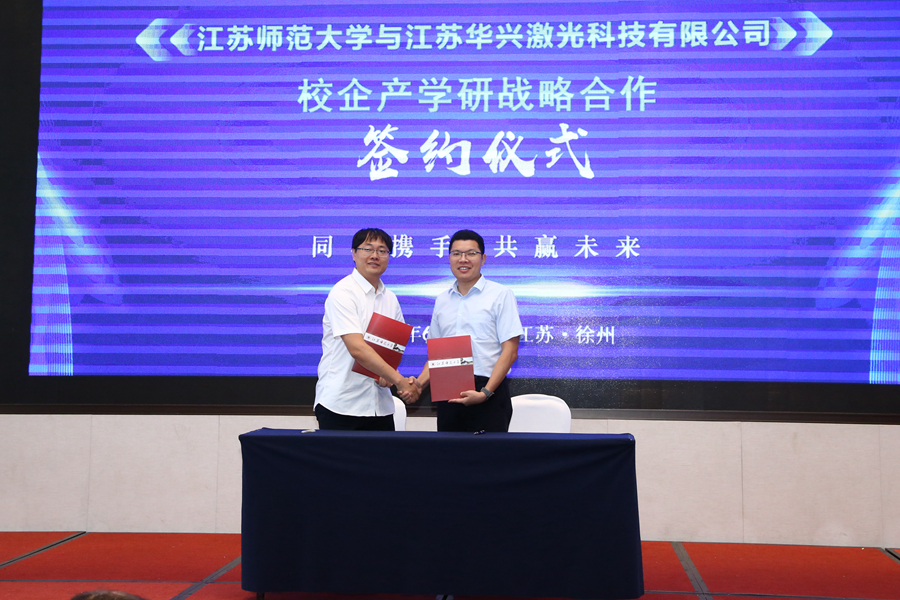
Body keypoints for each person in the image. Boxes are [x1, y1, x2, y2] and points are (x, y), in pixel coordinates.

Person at [414, 230, 524, 432]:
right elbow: (436, 355)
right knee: (449, 451)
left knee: (488, 452)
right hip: (448, 389)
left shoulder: (500, 295)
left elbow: (510, 352)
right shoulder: (442, 300)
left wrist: (485, 392)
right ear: (449, 258)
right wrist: (418, 385)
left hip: (489, 390)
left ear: (483, 258)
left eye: (471, 253)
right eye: (456, 253)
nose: (463, 259)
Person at [314, 228, 419, 430]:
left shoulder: (390, 299)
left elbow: (389, 354)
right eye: (368, 249)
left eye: (382, 250)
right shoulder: (343, 292)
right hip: (341, 405)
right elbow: (358, 349)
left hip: (380, 407)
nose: (375, 255)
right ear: (354, 253)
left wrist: (388, 377)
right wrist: (400, 381)